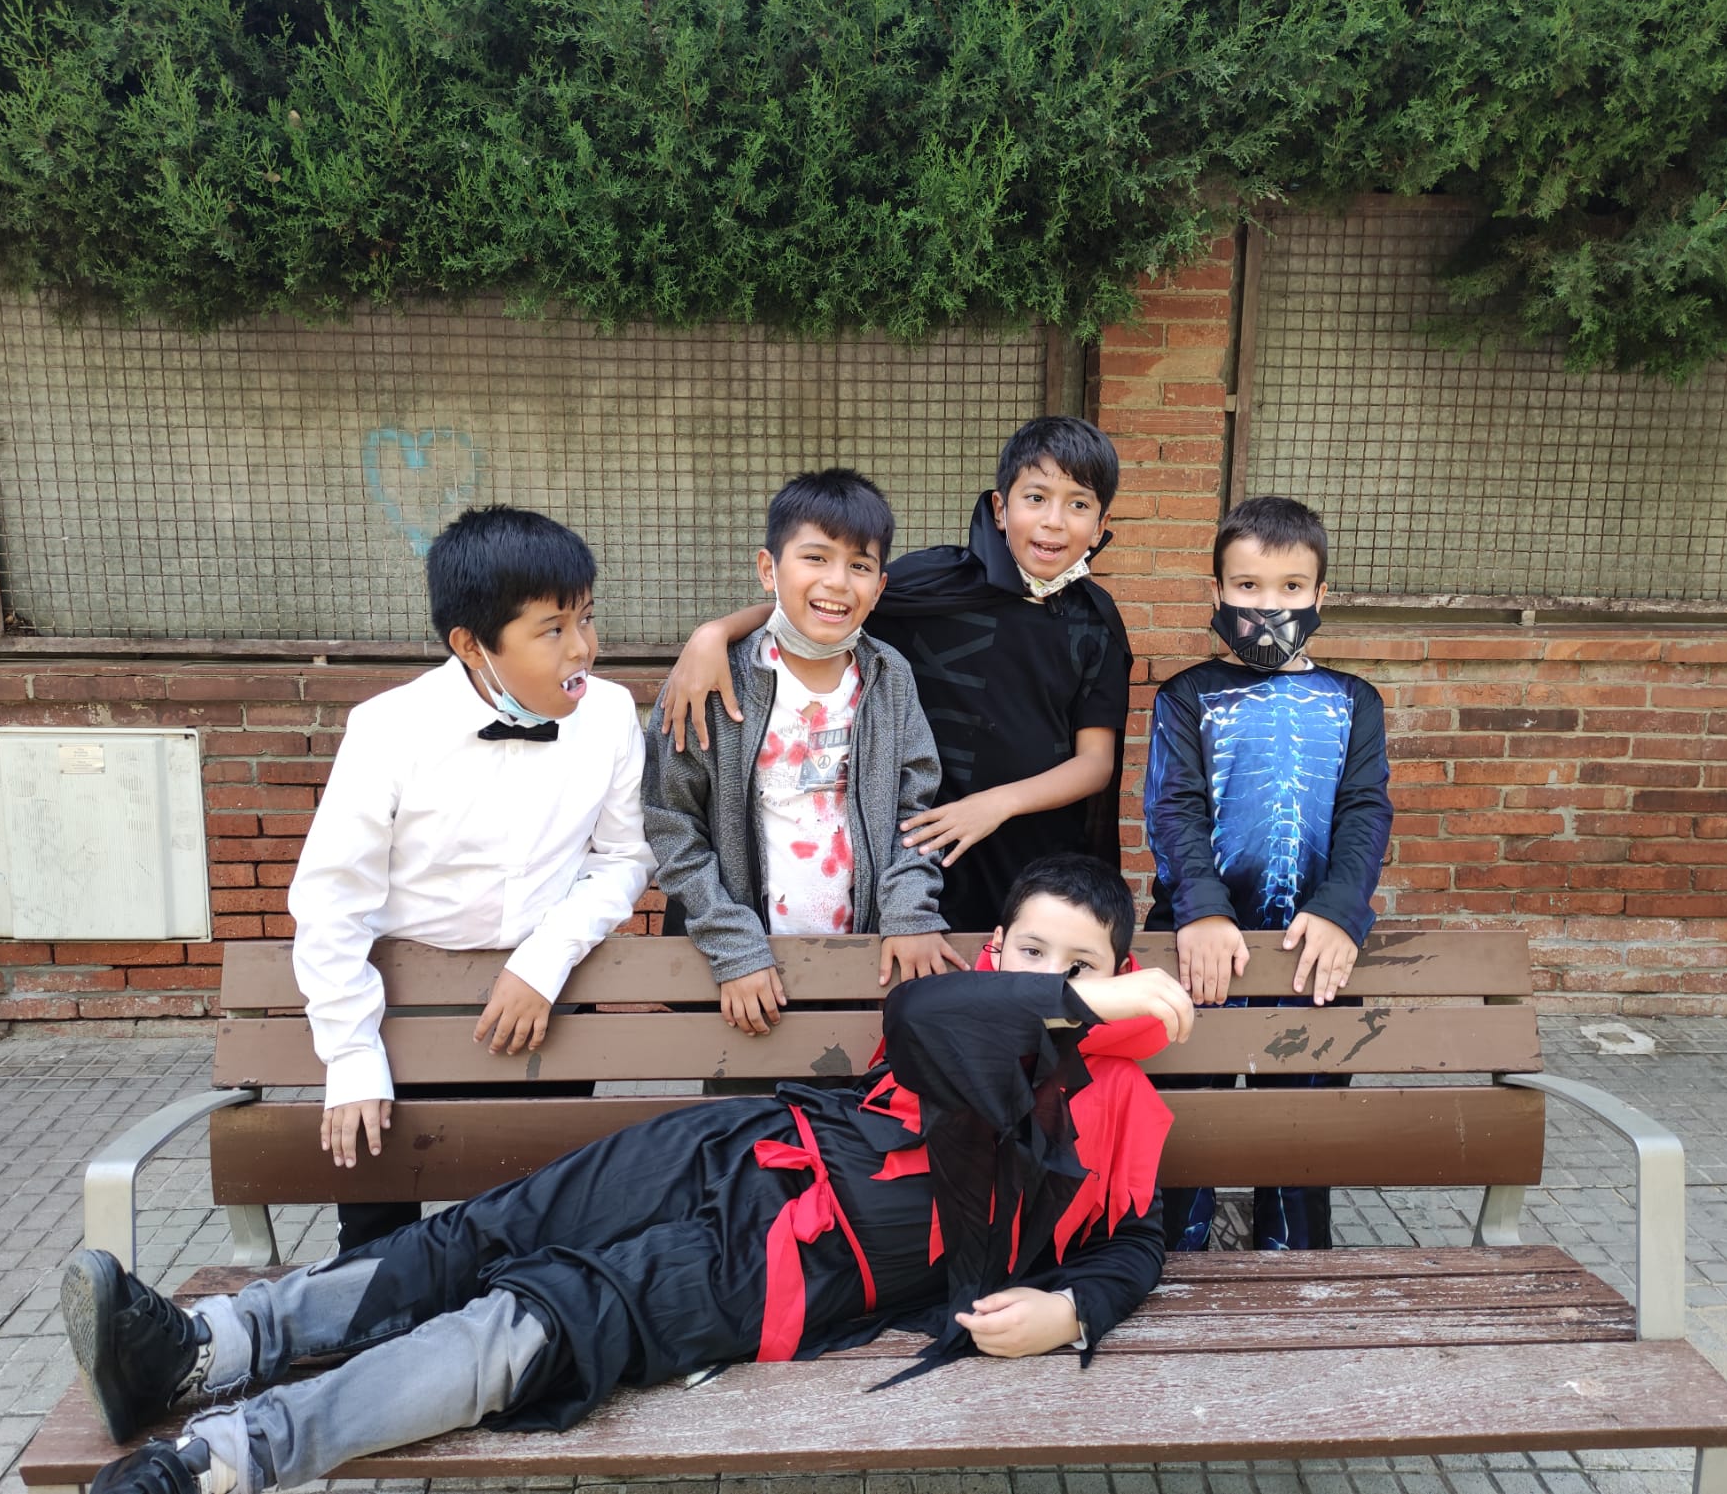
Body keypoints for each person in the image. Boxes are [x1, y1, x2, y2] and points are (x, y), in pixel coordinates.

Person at [61, 855, 1194, 1494]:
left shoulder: (1126, 1118)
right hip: (736, 1146)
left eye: (1081, 962)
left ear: (1126, 971)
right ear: (999, 952)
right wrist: (1079, 997)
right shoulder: (969, 1013)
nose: (1052, 975)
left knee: (535, 1318)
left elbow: (1135, 1244)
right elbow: (926, 1014)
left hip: (788, 1268)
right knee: (485, 1230)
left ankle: (221, 1461)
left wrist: (1068, 1309)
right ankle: (206, 1345)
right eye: (1031, 951)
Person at [287, 507, 655, 1249]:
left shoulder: (611, 715)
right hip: (404, 1013)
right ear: (471, 644)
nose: (582, 648)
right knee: (377, 1242)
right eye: (552, 630)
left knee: (538, 1230)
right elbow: (332, 900)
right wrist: (351, 1054)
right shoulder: (388, 729)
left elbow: (624, 858)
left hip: (547, 1007)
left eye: (586, 618)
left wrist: (544, 961)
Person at [660, 417, 1132, 934]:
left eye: (1078, 505)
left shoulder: (1096, 624)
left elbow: (1095, 763)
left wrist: (996, 804)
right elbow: (828, 606)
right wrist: (716, 633)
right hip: (919, 855)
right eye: (1036, 498)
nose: (1054, 521)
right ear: (1001, 508)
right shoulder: (935, 583)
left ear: (1101, 524)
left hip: (1031, 847)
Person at [1144, 495, 1393, 1252]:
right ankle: (1170, 1265)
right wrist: (1202, 908)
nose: (1268, 605)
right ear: (1217, 591)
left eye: (1291, 586)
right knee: (1187, 1131)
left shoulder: (1354, 702)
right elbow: (1173, 808)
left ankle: (1295, 1270)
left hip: (1312, 955)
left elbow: (1365, 810)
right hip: (1200, 952)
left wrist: (1341, 908)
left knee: (1298, 1142)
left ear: (1321, 594)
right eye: (1247, 586)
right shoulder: (1186, 696)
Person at [643, 467, 966, 1037]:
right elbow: (672, 823)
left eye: (859, 566)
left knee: (855, 1090)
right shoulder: (712, 680)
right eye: (816, 558)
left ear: (879, 587)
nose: (837, 581)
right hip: (742, 970)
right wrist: (733, 946)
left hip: (862, 961)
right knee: (749, 1091)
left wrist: (909, 911)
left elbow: (913, 811)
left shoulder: (889, 678)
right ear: (769, 569)